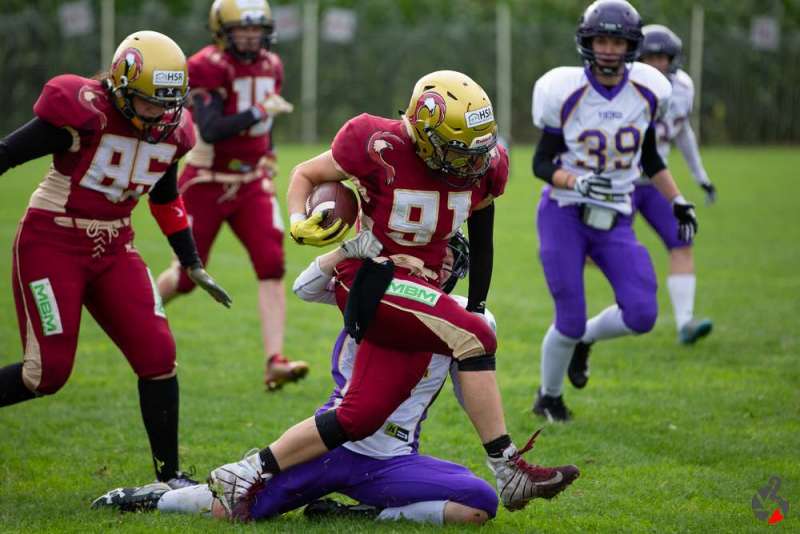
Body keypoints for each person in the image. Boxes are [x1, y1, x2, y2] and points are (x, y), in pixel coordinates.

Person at [206, 69, 579, 519]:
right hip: (369, 276)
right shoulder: (374, 142)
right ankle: (508, 468)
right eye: (458, 151)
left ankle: (244, 471)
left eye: (476, 151)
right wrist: (297, 220)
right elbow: (305, 174)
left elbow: (483, 234)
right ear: (423, 134)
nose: (471, 163)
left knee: (359, 416)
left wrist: (477, 300)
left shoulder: (485, 164)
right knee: (475, 335)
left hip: (418, 290)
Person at [92, 234, 506, 526]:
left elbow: (472, 392)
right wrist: (346, 250)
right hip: (329, 444)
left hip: (391, 459)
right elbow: (305, 287)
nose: (442, 265)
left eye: (450, 258)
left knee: (478, 505)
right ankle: (160, 497)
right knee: (231, 511)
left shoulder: (467, 320)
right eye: (437, 255)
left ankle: (357, 514)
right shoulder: (373, 288)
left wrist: (504, 451)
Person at [0, 31, 231, 488]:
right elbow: (6, 154)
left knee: (159, 354)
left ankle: (170, 476)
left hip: (116, 248)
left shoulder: (173, 131)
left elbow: (166, 199)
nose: (160, 113)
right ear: (121, 86)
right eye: (150, 101)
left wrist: (191, 262)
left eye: (169, 101)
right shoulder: (83, 109)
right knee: (44, 374)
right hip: (53, 241)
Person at [530, 0, 699, 422]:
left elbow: (651, 158)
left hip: (615, 216)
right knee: (567, 318)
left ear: (631, 45)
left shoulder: (648, 90)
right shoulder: (563, 90)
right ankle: (549, 398)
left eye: (617, 40)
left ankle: (585, 340)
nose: (608, 49)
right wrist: (576, 181)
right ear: (588, 42)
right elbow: (541, 162)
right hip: (564, 213)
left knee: (642, 313)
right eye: (601, 39)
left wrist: (677, 199)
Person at [155, 0, 305, 391]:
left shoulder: (272, 65)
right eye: (243, 28)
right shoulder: (206, 66)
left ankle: (275, 360)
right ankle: (139, 312)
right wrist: (259, 112)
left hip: (251, 181)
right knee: (188, 278)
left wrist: (268, 152)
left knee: (271, 264)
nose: (252, 36)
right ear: (222, 30)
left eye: (258, 29)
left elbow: (264, 121)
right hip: (206, 180)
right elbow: (213, 127)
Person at [636, 24, 715, 345]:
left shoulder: (683, 88)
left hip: (656, 182)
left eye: (662, 58)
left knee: (682, 239)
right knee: (593, 253)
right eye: (650, 58)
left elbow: (683, 133)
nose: (657, 65)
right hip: (620, 181)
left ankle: (685, 323)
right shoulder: (626, 85)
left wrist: (701, 177)